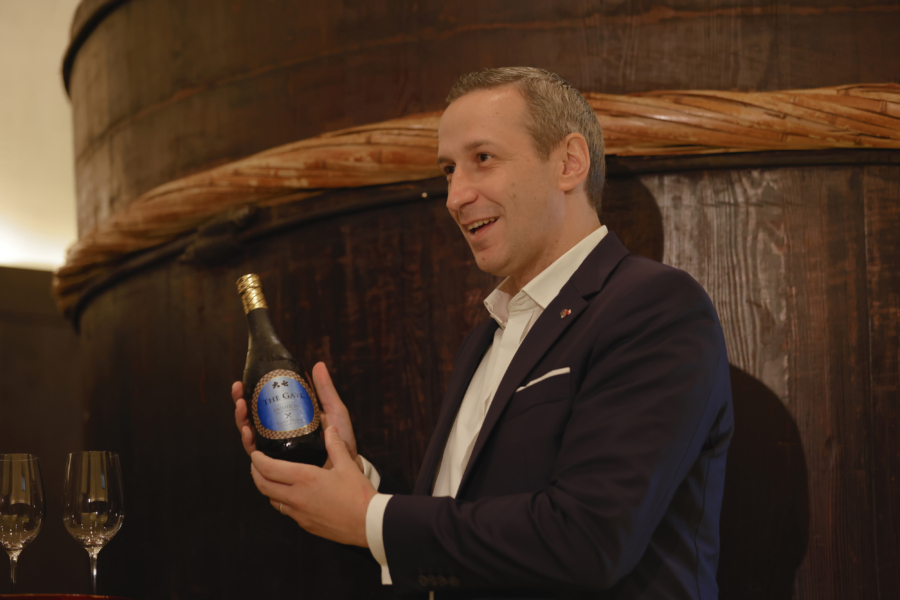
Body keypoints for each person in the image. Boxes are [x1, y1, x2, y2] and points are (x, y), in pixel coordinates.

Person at [232, 67, 733, 599]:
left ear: (569, 162)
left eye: (483, 159)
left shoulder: (654, 305)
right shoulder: (485, 338)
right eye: (449, 170)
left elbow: (590, 539)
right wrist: (355, 480)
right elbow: (467, 519)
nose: (454, 196)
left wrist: (369, 517)